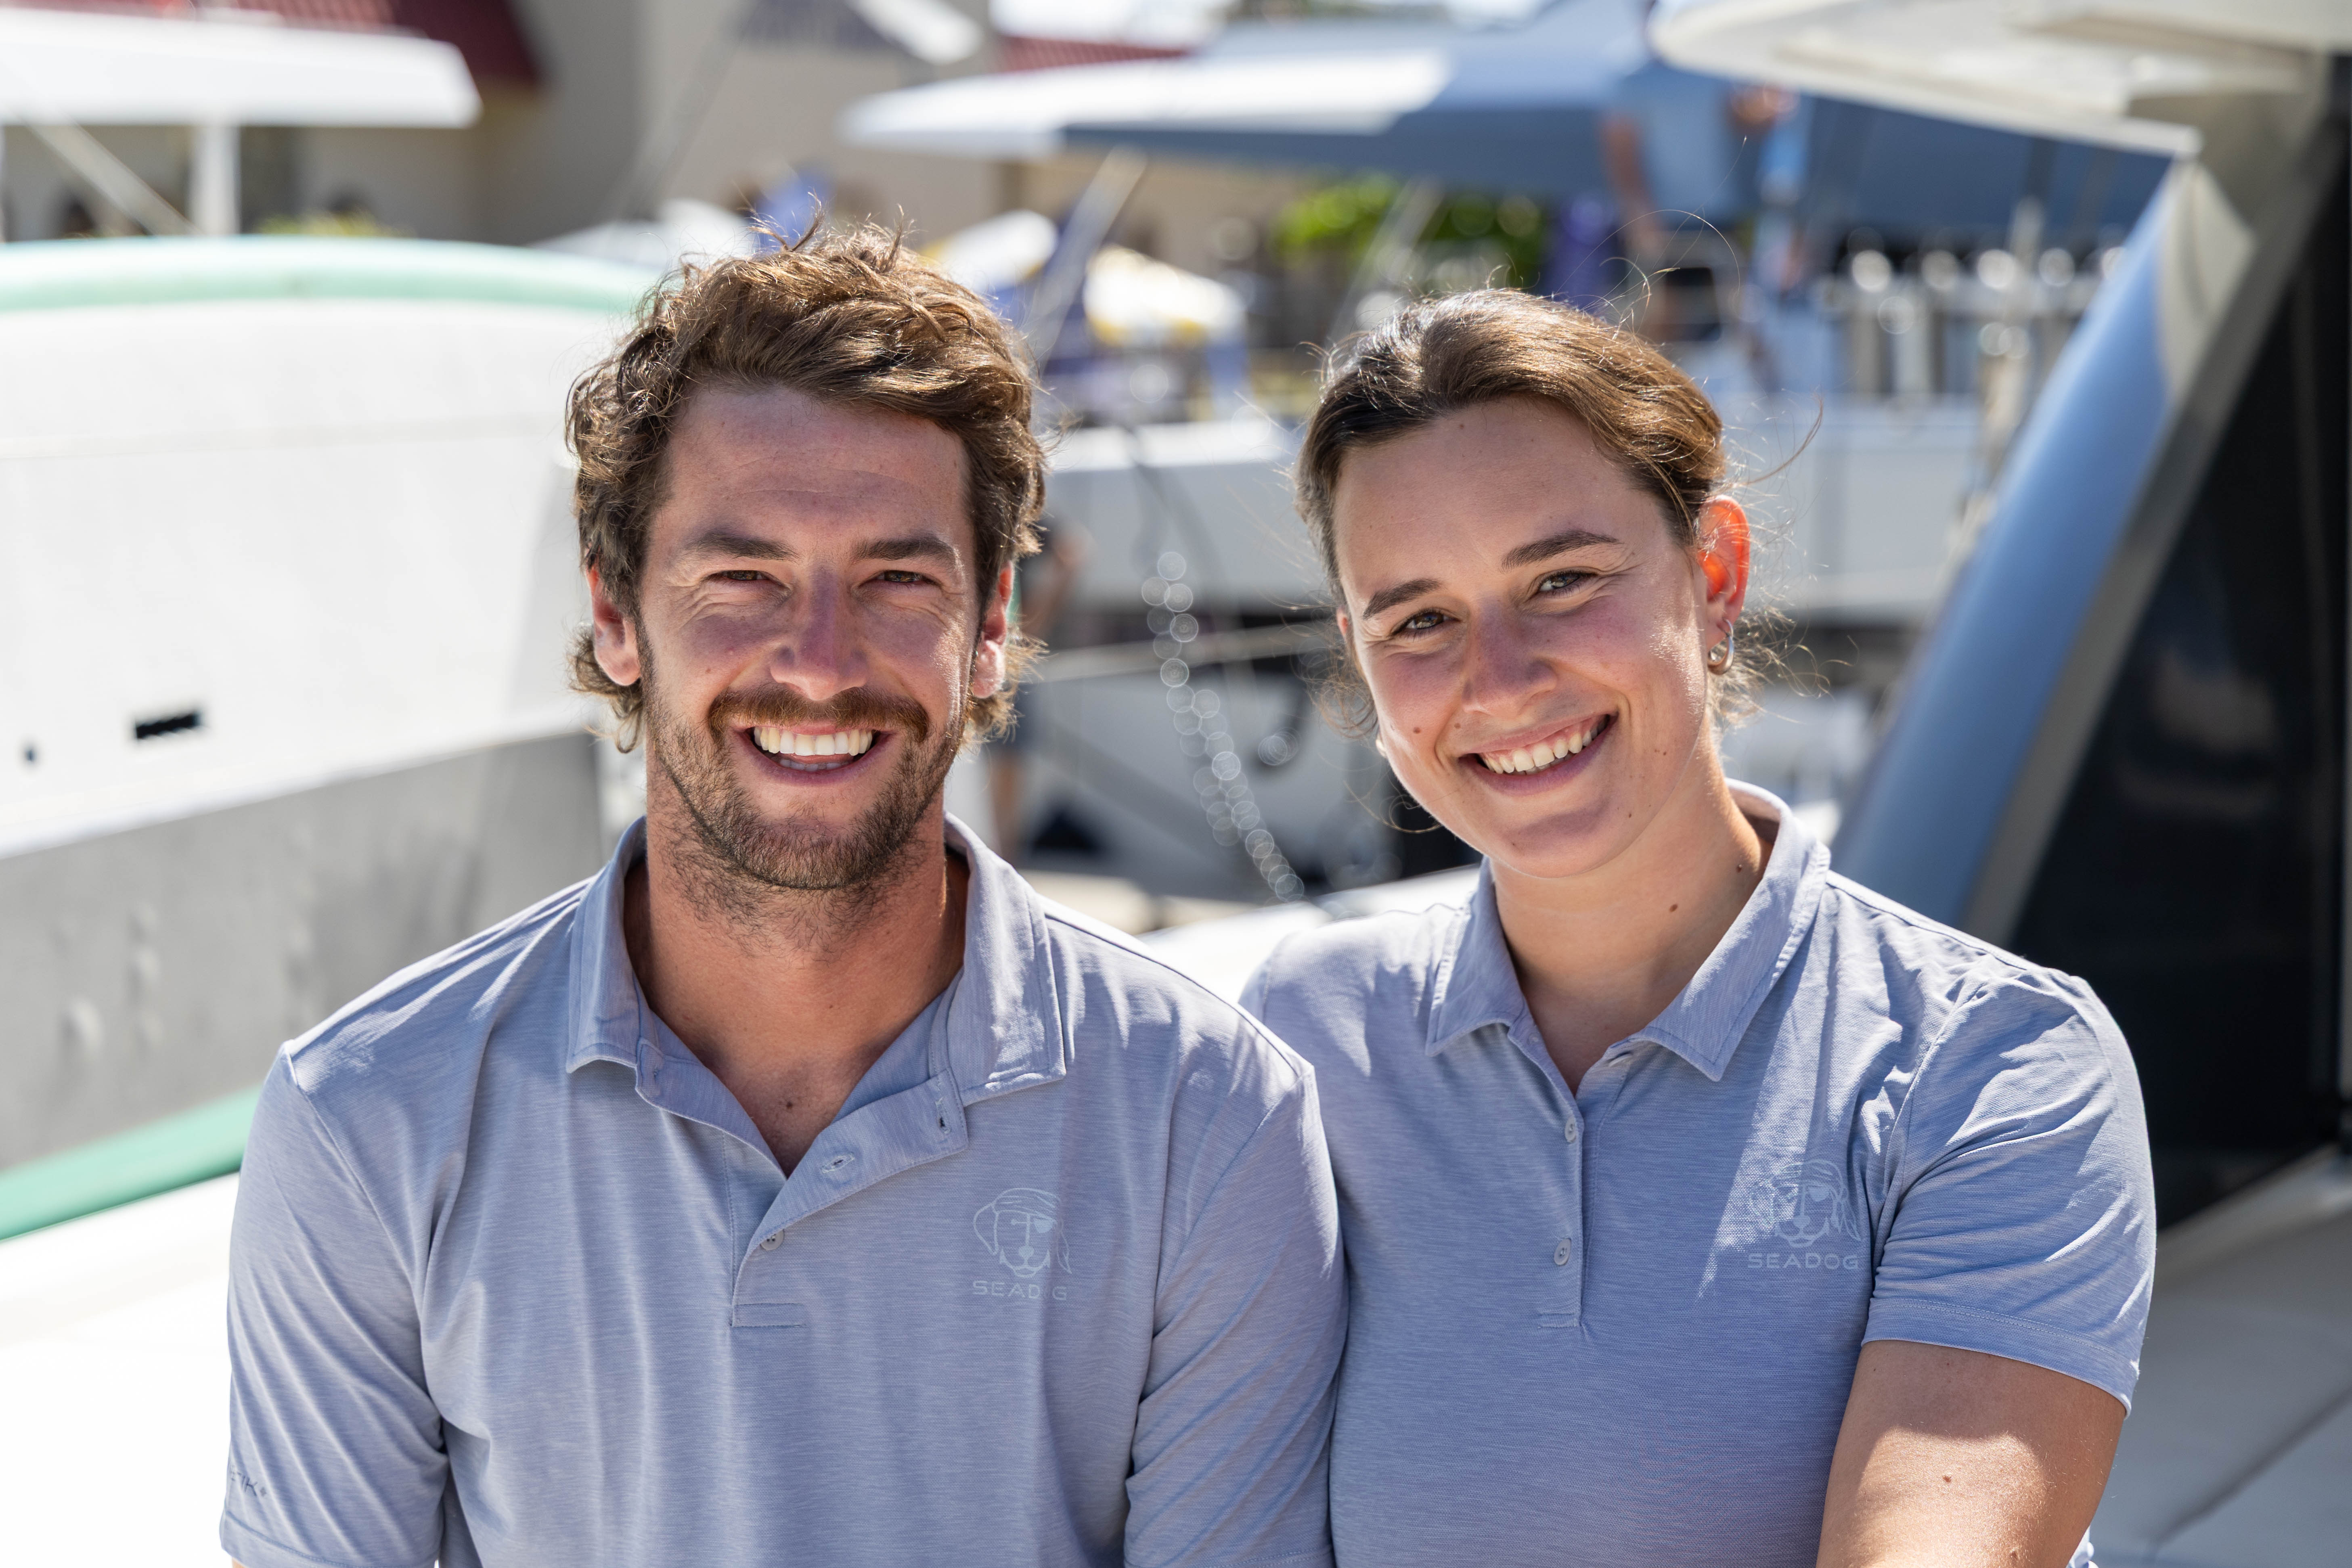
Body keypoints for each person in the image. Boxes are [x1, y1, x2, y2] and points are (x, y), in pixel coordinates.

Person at [220, 228, 1345, 1568]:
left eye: (895, 580)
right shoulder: (365, 1123)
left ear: (989, 624)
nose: (817, 665)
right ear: (618, 614)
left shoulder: (1206, 1120)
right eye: (742, 578)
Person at [1242, 290, 2154, 1567]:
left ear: (1712, 577)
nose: (1497, 681)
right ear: (1358, 655)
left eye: (1560, 580)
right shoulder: (1296, 1037)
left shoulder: (1991, 1065)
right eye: (1418, 621)